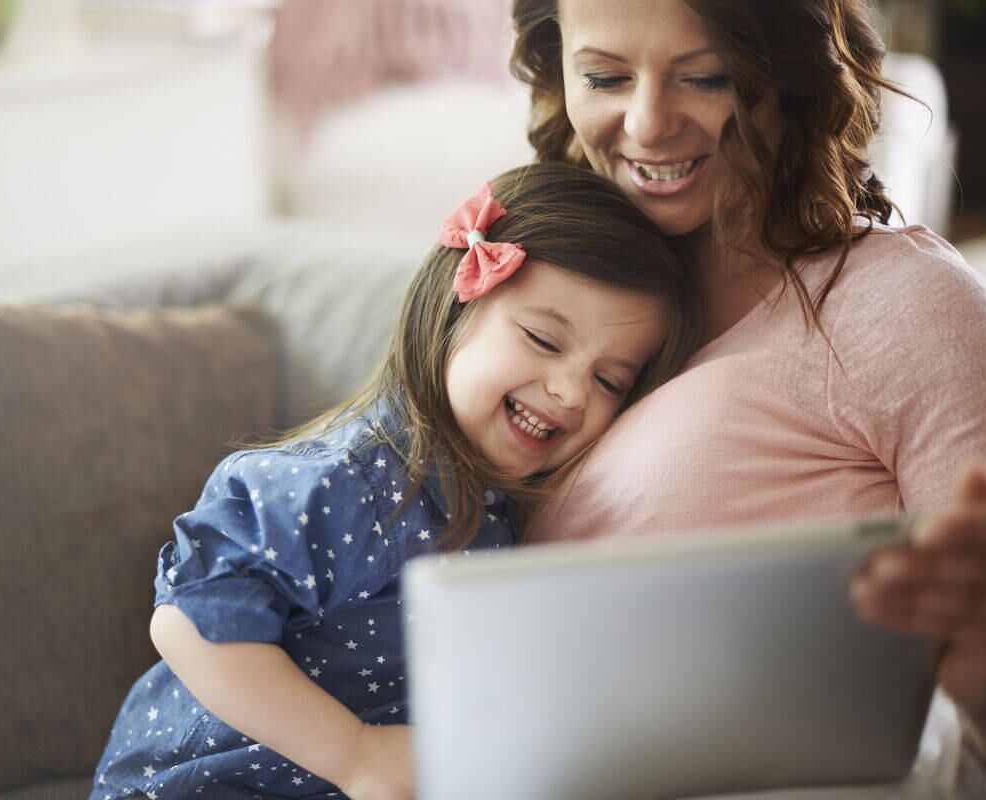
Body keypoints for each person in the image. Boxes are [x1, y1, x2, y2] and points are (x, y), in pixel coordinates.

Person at [510, 0, 986, 796]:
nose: (647, 125)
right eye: (605, 77)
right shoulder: (543, 289)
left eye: (708, 77)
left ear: (790, 75)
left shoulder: (911, 310)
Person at [88, 161, 702, 800]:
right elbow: (188, 620)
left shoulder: (501, 506)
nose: (571, 391)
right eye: (544, 339)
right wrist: (354, 754)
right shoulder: (347, 479)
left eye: (610, 381)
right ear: (453, 309)